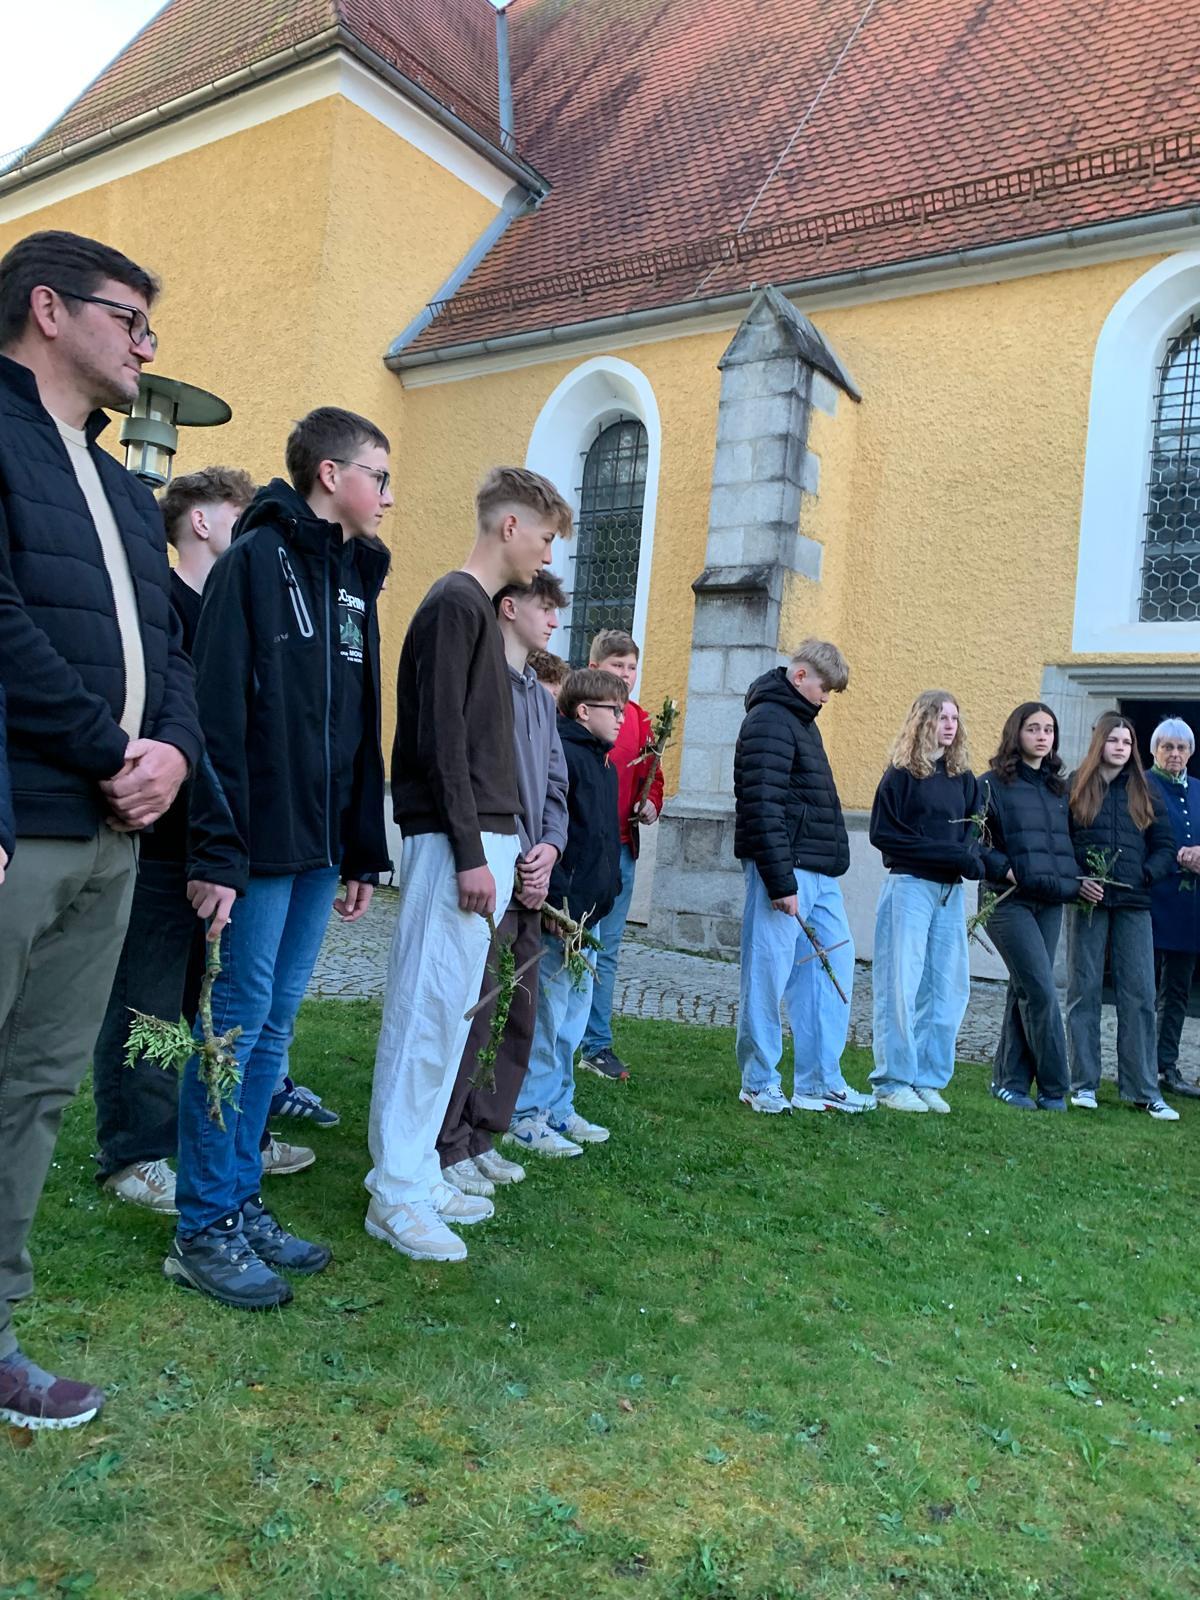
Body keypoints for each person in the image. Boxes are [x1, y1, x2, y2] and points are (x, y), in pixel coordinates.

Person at [0, 229, 202, 1429]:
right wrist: (106, 748)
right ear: (48, 308)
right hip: (23, 816)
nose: (146, 344)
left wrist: (169, 750)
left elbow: (171, 648)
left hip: (113, 835)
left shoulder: (130, 488)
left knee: (35, 1091)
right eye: (128, 318)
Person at [169, 407, 394, 1309]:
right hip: (257, 845)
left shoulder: (353, 578)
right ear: (331, 474)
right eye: (380, 475)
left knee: (274, 1027)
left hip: (317, 846)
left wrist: (361, 849)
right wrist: (216, 851)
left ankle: (239, 1195)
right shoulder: (255, 561)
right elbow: (216, 712)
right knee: (234, 1020)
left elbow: (361, 725)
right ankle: (202, 1224)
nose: (388, 495)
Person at [366, 466, 572, 1263]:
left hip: (485, 836)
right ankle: (395, 1193)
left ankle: (417, 1170)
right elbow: (440, 741)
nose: (547, 555)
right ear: (509, 526)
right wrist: (467, 850)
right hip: (459, 840)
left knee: (451, 1016)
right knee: (425, 1013)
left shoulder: (478, 612)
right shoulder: (455, 603)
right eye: (545, 537)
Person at [92, 467, 256, 1214]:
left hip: (213, 848)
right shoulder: (160, 602)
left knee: (206, 1000)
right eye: (237, 514)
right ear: (199, 521)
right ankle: (134, 1152)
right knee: (147, 1004)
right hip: (160, 843)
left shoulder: (227, 609)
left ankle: (212, 1127)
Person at [436, 571, 570, 1196]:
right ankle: (446, 1141)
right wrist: (518, 858)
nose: (554, 620)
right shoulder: (484, 683)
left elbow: (555, 787)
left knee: (518, 1013)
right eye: (545, 607)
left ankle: (483, 1133)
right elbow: (479, 781)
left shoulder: (541, 698)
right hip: (495, 871)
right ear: (510, 608)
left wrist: (549, 850)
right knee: (475, 1010)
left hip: (532, 878)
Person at [732, 639, 872, 1114]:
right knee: (767, 974)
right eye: (824, 688)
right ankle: (758, 1081)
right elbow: (761, 804)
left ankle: (819, 1081)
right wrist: (780, 881)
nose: (826, 698)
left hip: (819, 870)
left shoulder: (801, 721)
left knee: (833, 965)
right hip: (786, 869)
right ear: (800, 676)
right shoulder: (770, 720)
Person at [508, 667, 625, 1154]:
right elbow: (554, 833)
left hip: (589, 918)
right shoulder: (565, 757)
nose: (622, 719)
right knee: (547, 1019)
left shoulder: (605, 764)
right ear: (583, 711)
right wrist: (556, 904)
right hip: (562, 917)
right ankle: (526, 1113)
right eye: (614, 710)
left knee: (573, 1021)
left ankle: (559, 1106)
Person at [868, 691, 982, 1113]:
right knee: (900, 984)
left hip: (949, 893)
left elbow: (972, 832)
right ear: (923, 721)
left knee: (946, 988)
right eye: (942, 717)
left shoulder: (963, 779)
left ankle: (928, 1078)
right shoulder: (901, 775)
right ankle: (892, 1081)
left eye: (955, 717)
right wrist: (948, 854)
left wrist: (970, 858)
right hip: (911, 887)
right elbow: (884, 834)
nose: (950, 725)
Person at [1066, 712, 1179, 1121]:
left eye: (1127, 742)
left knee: (1139, 995)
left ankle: (1143, 1090)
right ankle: (1083, 1084)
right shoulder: (1076, 785)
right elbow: (1062, 842)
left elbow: (1165, 846)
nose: (1120, 748)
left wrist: (1146, 874)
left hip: (1134, 903)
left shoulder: (1146, 789)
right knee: (1083, 991)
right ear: (1100, 743)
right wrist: (1079, 879)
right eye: (1113, 740)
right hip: (1088, 902)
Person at [977, 702, 1080, 1111]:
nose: (1042, 736)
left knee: (1024, 987)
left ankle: (1009, 1083)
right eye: (1033, 728)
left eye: (1048, 729)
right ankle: (1055, 1088)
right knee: (1040, 990)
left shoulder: (1059, 790)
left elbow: (1068, 844)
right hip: (1006, 901)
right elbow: (973, 841)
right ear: (1016, 733)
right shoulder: (990, 784)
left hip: (1049, 902)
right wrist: (1005, 869)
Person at [578, 630, 663, 1082]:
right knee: (574, 945)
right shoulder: (578, 713)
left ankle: (596, 1043)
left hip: (623, 850)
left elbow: (654, 776)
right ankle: (559, 1037)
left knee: (606, 951)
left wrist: (652, 803)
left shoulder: (641, 720)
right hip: (582, 851)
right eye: (617, 666)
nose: (626, 675)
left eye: (632, 667)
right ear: (595, 667)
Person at [1145, 718, 1200, 1100]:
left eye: (1181, 748)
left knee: (1177, 992)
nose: (1175, 754)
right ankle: (1139, 1066)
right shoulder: (1140, 785)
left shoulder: (1198, 790)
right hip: (1148, 901)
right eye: (1167, 747)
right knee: (1141, 989)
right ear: (1155, 751)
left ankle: (1166, 1065)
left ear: (1190, 752)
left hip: (1188, 908)